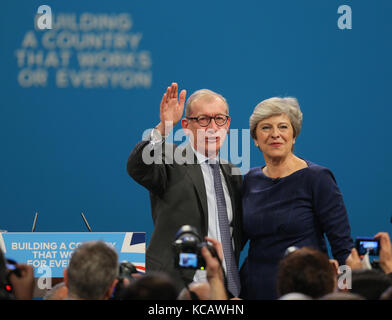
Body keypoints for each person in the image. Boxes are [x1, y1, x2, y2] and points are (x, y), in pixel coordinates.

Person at [127, 83, 243, 297]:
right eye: (203, 119)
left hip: (224, 285)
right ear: (186, 125)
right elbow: (137, 166)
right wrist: (164, 127)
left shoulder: (233, 173)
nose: (212, 127)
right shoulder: (170, 158)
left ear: (227, 125)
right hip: (175, 284)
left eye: (219, 119)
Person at [241, 97, 353, 299]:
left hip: (306, 289)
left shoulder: (317, 178)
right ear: (255, 139)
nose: (275, 134)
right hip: (254, 289)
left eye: (283, 127)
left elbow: (343, 246)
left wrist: (345, 290)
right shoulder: (250, 179)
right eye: (266, 128)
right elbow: (236, 242)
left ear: (294, 136)